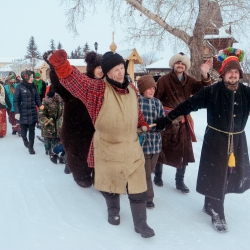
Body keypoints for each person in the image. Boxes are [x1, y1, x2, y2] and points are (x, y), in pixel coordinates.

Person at [47, 49, 155, 238]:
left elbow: (136, 111)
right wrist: (63, 67)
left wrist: (142, 123)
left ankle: (141, 223)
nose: (120, 72)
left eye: (122, 67)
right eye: (115, 69)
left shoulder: (132, 90)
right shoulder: (98, 90)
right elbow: (77, 82)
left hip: (131, 146)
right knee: (111, 184)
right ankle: (113, 211)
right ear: (107, 72)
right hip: (107, 146)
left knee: (137, 186)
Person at [155, 47, 250, 233]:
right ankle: (217, 211)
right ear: (222, 74)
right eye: (229, 71)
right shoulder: (212, 91)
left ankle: (209, 204)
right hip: (216, 139)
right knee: (216, 173)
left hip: (237, 141)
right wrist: (167, 118)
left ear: (239, 74)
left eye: (236, 72)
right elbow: (188, 104)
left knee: (229, 174)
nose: (233, 75)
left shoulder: (247, 93)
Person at [153, 52, 212, 193]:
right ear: (173, 65)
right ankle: (158, 176)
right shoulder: (164, 80)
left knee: (183, 151)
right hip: (167, 119)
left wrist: (205, 75)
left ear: (185, 66)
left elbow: (205, 90)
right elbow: (156, 100)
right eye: (177, 63)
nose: (180, 65)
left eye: (182, 63)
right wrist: (160, 118)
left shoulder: (190, 80)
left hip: (183, 121)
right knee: (161, 148)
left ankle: (180, 181)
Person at [43, 50, 102, 187]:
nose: (101, 71)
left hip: (97, 130)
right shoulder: (80, 82)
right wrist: (55, 67)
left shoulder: (106, 86)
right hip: (77, 129)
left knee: (100, 158)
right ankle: (80, 174)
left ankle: (99, 178)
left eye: (103, 68)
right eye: (98, 67)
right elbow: (61, 84)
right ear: (91, 68)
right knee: (79, 157)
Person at [137, 75, 165, 209]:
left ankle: (133, 184)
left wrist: (161, 124)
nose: (152, 90)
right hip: (143, 143)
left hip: (156, 144)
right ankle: (148, 198)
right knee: (146, 172)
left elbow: (163, 120)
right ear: (142, 89)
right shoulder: (137, 101)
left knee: (150, 170)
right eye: (148, 88)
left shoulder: (157, 103)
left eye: (153, 88)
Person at [13, 70, 41, 154]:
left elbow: (37, 98)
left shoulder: (34, 87)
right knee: (24, 131)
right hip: (23, 112)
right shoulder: (19, 87)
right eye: (31, 77)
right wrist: (17, 112)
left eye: (33, 77)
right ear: (26, 77)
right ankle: (25, 140)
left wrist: (40, 105)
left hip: (32, 112)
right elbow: (16, 101)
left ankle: (31, 147)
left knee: (32, 130)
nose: (33, 78)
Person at [38, 90, 63, 163]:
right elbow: (41, 115)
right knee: (47, 141)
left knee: (55, 140)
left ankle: (54, 152)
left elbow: (62, 112)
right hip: (48, 126)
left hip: (57, 125)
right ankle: (48, 149)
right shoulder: (45, 104)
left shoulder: (60, 102)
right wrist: (45, 121)